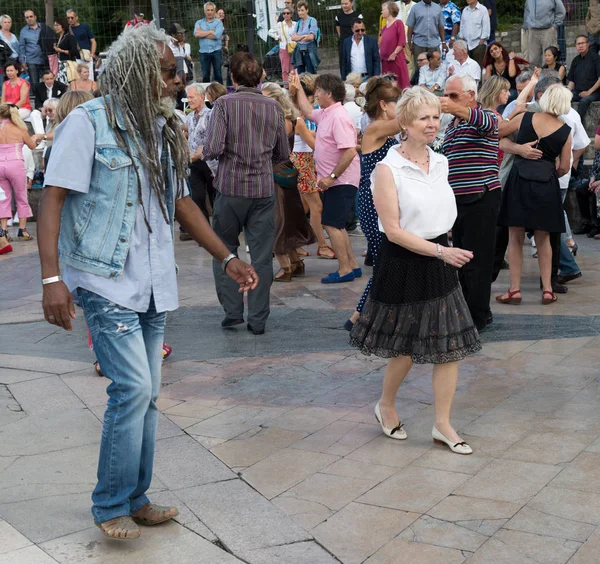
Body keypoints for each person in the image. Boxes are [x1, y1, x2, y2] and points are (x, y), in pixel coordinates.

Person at [38, 25, 258, 541]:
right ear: (135, 71)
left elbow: (182, 202)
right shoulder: (87, 123)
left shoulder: (162, 128)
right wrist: (52, 279)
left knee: (150, 393)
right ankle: (110, 502)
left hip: (154, 281)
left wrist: (227, 257)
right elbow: (53, 199)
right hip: (104, 278)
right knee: (132, 387)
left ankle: (136, 497)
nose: (176, 77)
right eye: (164, 69)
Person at [349, 86, 480, 454]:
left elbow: (440, 211)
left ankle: (443, 425)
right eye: (424, 118)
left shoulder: (441, 160)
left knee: (449, 346)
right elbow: (393, 231)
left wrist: (445, 247)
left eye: (436, 117)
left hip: (440, 256)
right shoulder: (387, 169)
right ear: (403, 123)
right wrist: (441, 251)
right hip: (405, 260)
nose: (432, 124)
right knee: (405, 347)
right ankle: (386, 405)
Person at [203, 51, 288, 335]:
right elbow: (282, 154)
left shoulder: (223, 105)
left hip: (230, 187)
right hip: (262, 189)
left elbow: (212, 149)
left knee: (224, 250)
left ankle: (232, 312)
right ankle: (258, 319)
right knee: (262, 256)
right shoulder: (274, 108)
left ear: (233, 77)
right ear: (260, 77)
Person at [496, 84, 572, 305]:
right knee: (544, 238)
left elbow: (499, 135)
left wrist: (519, 149)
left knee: (515, 236)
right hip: (547, 183)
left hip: (519, 179)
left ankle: (514, 290)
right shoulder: (565, 131)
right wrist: (549, 171)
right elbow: (565, 167)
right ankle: (548, 289)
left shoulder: (526, 118)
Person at [441, 74, 501, 331]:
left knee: (477, 261)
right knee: (462, 260)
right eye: (446, 95)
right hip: (458, 201)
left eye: (454, 95)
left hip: (481, 197)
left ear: (470, 96)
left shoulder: (483, 117)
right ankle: (470, 311)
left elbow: (489, 123)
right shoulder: (452, 125)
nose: (448, 100)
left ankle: (478, 315)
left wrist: (454, 107)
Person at [290, 70, 361, 284]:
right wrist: (298, 89)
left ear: (329, 93)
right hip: (336, 180)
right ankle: (352, 266)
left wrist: (331, 176)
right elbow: (307, 111)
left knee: (331, 224)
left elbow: (349, 151)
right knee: (336, 225)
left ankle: (344, 269)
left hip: (341, 180)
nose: (316, 94)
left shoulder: (338, 117)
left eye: (319, 91)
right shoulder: (327, 112)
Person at [345, 77, 401, 331]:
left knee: (387, 261)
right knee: (384, 261)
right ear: (383, 105)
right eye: (396, 101)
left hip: (381, 200)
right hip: (373, 203)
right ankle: (360, 316)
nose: (399, 106)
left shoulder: (379, 128)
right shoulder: (375, 129)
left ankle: (364, 315)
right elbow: (409, 121)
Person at [262, 82, 316, 281]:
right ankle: (295, 262)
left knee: (276, 221)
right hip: (289, 171)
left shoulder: (270, 121)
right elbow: (313, 144)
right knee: (289, 219)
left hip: (273, 173)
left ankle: (286, 267)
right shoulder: (295, 120)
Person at [289, 74, 332, 260]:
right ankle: (322, 245)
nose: (313, 102)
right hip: (302, 160)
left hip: (303, 160)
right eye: (311, 98)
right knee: (317, 206)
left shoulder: (298, 117)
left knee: (303, 207)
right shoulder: (297, 119)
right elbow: (314, 144)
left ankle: (292, 242)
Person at [0, 103, 41, 243]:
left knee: (3, 199)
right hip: (16, 164)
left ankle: (3, 231)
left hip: (0, 165)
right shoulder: (20, 128)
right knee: (22, 198)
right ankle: (22, 231)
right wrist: (35, 138)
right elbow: (32, 146)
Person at [184, 83, 214, 222]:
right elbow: (188, 133)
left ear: (202, 97)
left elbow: (213, 138)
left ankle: (220, 232)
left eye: (191, 97)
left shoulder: (210, 115)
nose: (189, 100)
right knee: (197, 197)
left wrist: (200, 152)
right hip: (193, 163)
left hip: (209, 163)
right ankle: (206, 230)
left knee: (215, 197)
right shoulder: (189, 117)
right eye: (187, 97)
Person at [1, 63, 45, 134]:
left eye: (11, 70)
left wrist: (11, 109)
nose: (9, 73)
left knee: (10, 116)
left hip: (22, 108)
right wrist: (3, 109)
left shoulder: (23, 83)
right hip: (7, 109)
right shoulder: (5, 84)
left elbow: (23, 100)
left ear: (17, 71)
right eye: (7, 71)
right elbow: (3, 99)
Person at [567, 35, 600, 123]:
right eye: (578, 44)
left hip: (595, 92)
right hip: (578, 91)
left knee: (584, 101)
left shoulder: (596, 58)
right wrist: (567, 90)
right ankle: (566, 123)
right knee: (564, 98)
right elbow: (572, 80)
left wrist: (589, 92)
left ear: (588, 44)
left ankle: (578, 125)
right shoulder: (575, 60)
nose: (580, 46)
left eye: (582, 43)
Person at [523, 0, 565, 67]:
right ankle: (534, 76)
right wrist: (526, 26)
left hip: (548, 30)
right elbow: (527, 11)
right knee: (532, 60)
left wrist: (554, 26)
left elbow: (561, 11)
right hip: (532, 30)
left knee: (548, 59)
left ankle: (548, 77)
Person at [406, 0, 446, 68]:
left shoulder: (437, 8)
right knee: (419, 68)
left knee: (436, 67)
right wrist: (409, 43)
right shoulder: (415, 8)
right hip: (419, 44)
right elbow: (410, 27)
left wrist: (444, 42)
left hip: (434, 43)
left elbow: (441, 26)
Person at [19, 9, 55, 85]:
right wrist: (22, 61)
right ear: (25, 19)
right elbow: (22, 47)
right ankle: (36, 97)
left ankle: (49, 97)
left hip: (45, 59)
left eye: (31, 16)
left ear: (35, 17)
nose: (29, 18)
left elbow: (52, 40)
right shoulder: (23, 31)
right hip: (31, 61)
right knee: (35, 83)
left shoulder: (44, 27)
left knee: (48, 81)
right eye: (27, 17)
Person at [380, 3, 410, 89]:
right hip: (385, 62)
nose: (381, 11)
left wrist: (394, 53)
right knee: (388, 87)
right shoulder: (384, 27)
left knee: (400, 84)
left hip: (396, 60)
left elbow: (402, 41)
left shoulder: (398, 23)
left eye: (383, 9)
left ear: (390, 10)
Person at [194, 2, 224, 84]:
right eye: (208, 10)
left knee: (218, 74)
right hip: (203, 52)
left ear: (214, 11)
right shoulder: (199, 22)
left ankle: (221, 94)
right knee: (205, 75)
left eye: (211, 10)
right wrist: (210, 31)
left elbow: (217, 36)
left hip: (216, 51)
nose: (210, 12)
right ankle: (206, 94)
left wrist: (202, 33)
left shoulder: (219, 23)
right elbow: (196, 34)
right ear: (204, 11)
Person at [290, 1, 320, 74]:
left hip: (309, 50)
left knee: (311, 73)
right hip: (299, 51)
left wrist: (299, 37)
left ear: (307, 10)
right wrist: (304, 36)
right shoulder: (298, 23)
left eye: (302, 10)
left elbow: (311, 37)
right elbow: (293, 38)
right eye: (299, 10)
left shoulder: (312, 21)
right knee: (300, 74)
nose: (300, 13)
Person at [268, 7, 296, 82]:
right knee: (285, 69)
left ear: (291, 14)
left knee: (293, 68)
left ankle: (294, 85)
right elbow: (270, 32)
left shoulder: (295, 24)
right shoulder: (280, 24)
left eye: (287, 13)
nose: (286, 15)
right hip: (284, 47)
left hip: (294, 47)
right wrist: (277, 37)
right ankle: (286, 86)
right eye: (284, 13)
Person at [458, 0, 489, 67]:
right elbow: (462, 26)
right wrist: (461, 39)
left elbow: (486, 26)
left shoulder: (483, 9)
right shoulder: (465, 10)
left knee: (477, 67)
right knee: (466, 67)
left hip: (478, 44)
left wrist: (481, 41)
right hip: (466, 44)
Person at [66, 9, 96, 76]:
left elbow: (93, 42)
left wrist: (92, 54)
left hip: (86, 57)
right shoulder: (66, 30)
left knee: (89, 77)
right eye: (68, 18)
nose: (70, 19)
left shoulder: (85, 27)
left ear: (76, 17)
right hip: (74, 59)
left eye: (72, 17)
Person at [336, 0, 362, 74]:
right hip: (343, 43)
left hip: (356, 43)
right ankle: (344, 80)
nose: (344, 5)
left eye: (346, 4)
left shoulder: (358, 15)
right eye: (342, 4)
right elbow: (338, 30)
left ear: (351, 3)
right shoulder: (338, 17)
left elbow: (362, 30)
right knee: (343, 63)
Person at [53, 18, 79, 85]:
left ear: (63, 26)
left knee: (68, 83)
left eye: (57, 25)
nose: (55, 27)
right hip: (60, 65)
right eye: (55, 25)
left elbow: (74, 52)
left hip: (67, 64)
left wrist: (61, 51)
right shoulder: (59, 38)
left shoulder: (70, 37)